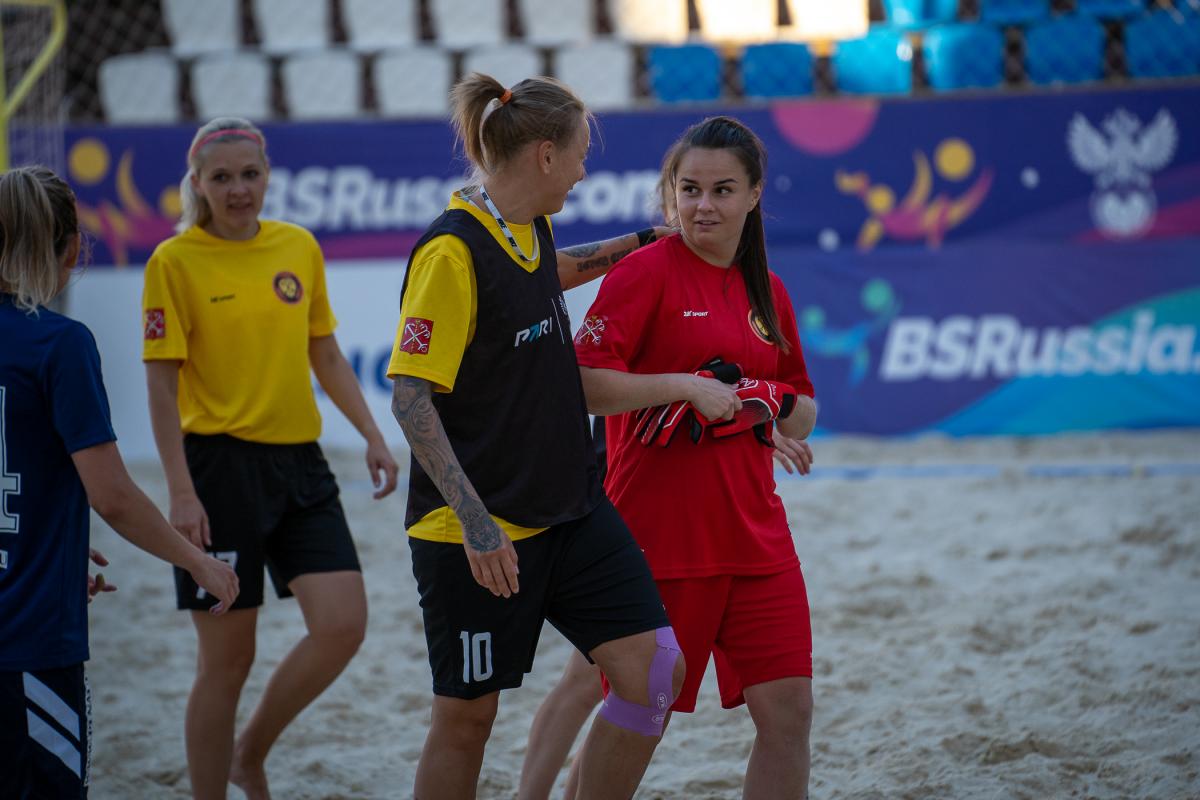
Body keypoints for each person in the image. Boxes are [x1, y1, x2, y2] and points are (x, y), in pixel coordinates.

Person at [387, 73, 685, 800]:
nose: (584, 171)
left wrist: (645, 242)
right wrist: (476, 523)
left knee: (653, 670)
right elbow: (410, 399)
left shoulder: (525, 225)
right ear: (545, 154)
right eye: (580, 154)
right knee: (467, 721)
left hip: (570, 507)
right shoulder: (450, 253)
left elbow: (546, 274)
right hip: (478, 531)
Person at [141, 118, 399, 800]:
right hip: (216, 471)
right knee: (227, 661)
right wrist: (180, 491)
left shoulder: (297, 245)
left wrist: (372, 433)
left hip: (301, 465)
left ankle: (248, 755)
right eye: (221, 177)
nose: (238, 189)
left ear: (268, 176)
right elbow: (161, 388)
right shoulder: (174, 262)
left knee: (342, 626)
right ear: (197, 184)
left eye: (249, 175)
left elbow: (325, 352)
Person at [571, 115, 819, 799]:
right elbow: (582, 382)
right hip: (659, 540)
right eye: (689, 189)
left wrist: (765, 398)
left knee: (790, 711)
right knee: (639, 711)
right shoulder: (644, 273)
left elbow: (804, 408)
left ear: (754, 195)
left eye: (722, 190)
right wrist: (683, 386)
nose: (703, 205)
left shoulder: (767, 289)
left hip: (757, 540)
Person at [0, 165, 239, 800]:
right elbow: (112, 495)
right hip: (26, 639)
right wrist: (197, 561)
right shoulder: (59, 344)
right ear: (70, 247)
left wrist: (50, 549)